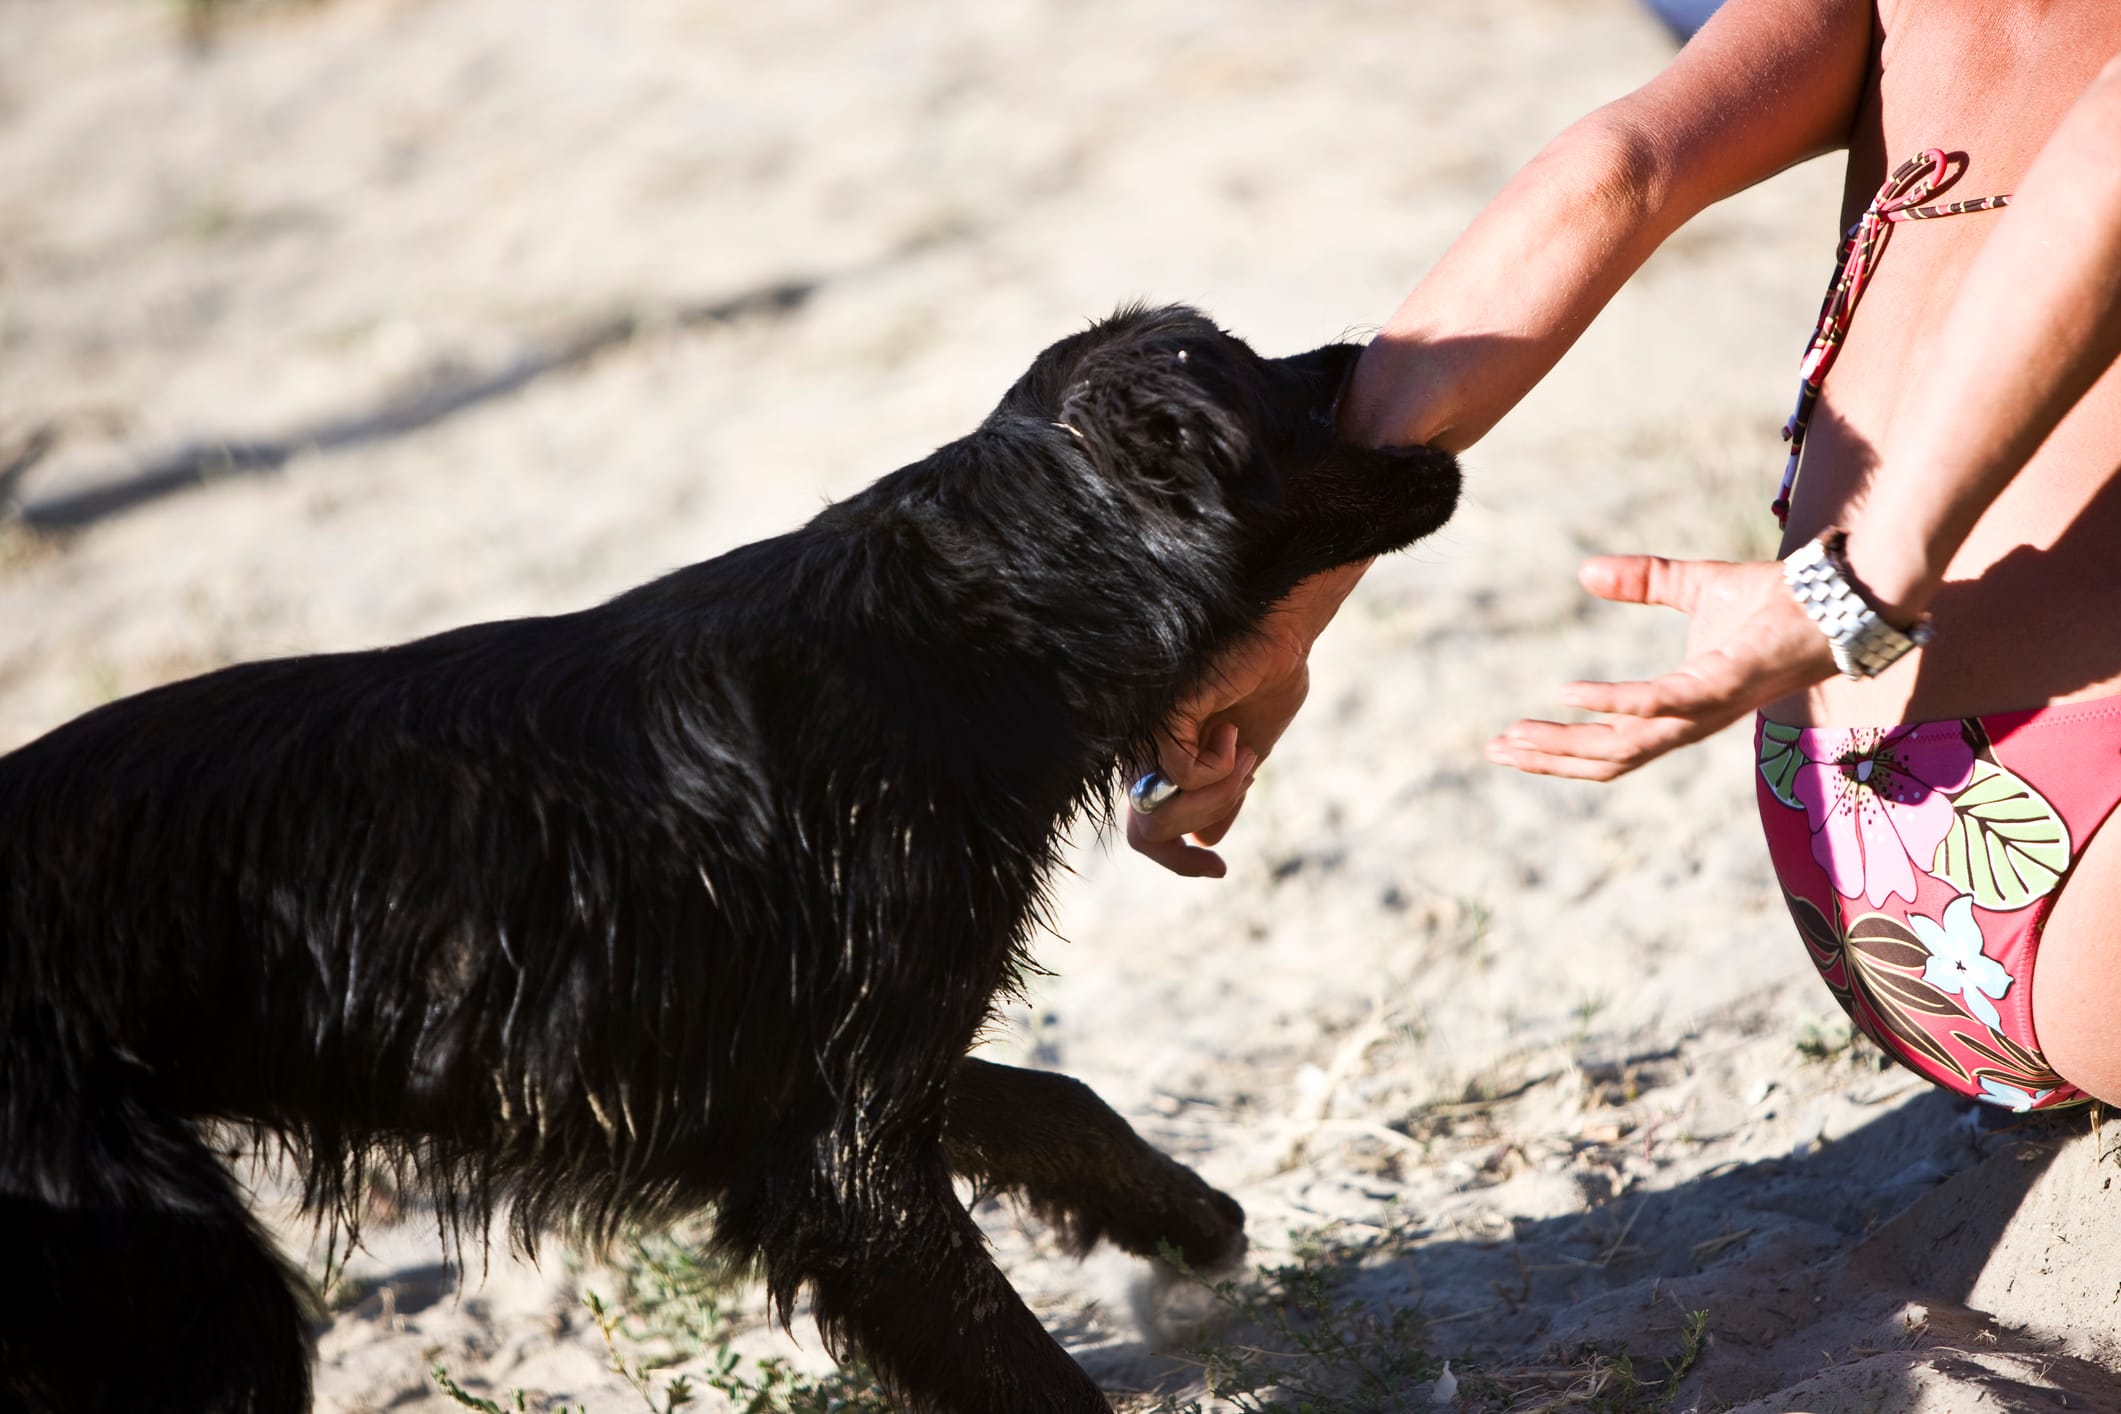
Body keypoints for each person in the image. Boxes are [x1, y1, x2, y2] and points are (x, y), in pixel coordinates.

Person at [1127, 0, 2121, 1112]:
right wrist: (1860, 582)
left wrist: (1287, 596)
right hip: (2080, 800)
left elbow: (1622, 166)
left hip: (1857, 865)